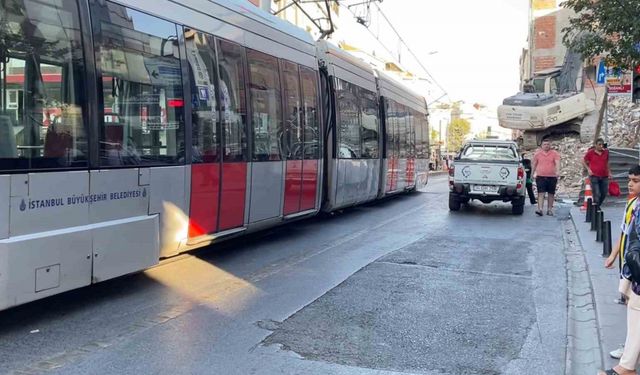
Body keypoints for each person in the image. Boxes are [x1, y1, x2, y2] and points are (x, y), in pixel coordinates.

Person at [599, 165, 640, 375]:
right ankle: (629, 353)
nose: (631, 184)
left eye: (636, 180)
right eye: (630, 180)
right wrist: (614, 255)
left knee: (635, 309)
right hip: (630, 266)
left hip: (636, 269)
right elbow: (625, 233)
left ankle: (628, 364)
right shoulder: (633, 203)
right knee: (630, 306)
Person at [532, 139, 561, 216]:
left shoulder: (555, 154)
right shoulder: (537, 154)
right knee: (540, 193)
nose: (546, 146)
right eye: (544, 144)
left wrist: (558, 171)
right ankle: (540, 209)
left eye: (548, 144)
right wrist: (532, 174)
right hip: (540, 176)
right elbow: (534, 164)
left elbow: (557, 163)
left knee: (551, 194)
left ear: (550, 145)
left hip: (552, 176)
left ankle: (549, 209)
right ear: (541, 145)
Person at [583, 138, 612, 207]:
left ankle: (597, 206)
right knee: (596, 193)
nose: (601, 146)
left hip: (604, 175)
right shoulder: (590, 152)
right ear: (595, 145)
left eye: (602, 144)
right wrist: (588, 169)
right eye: (599, 144)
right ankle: (596, 208)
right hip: (594, 176)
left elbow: (607, 162)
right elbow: (583, 160)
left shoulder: (606, 152)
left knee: (604, 192)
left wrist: (609, 172)